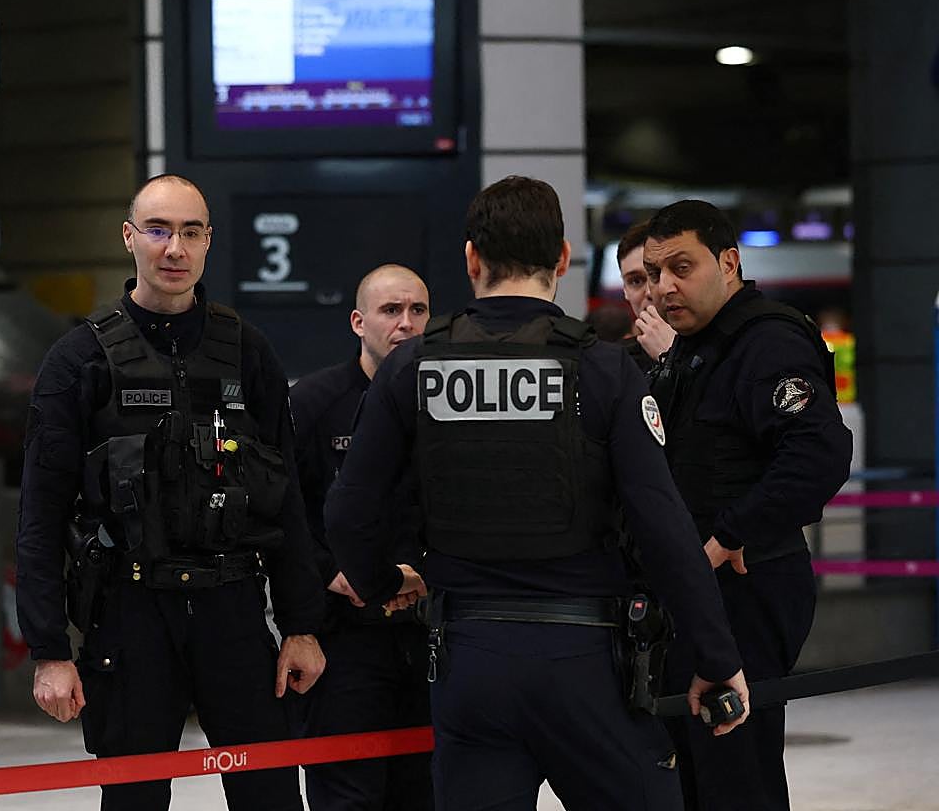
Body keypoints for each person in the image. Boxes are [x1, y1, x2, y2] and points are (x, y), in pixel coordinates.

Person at [324, 176, 749, 811]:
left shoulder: (414, 368)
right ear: (562, 258)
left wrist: (386, 586)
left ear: (471, 259)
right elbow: (663, 528)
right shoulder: (605, 369)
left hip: (467, 661)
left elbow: (348, 512)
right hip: (585, 663)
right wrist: (715, 654)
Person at [16, 174, 326, 811]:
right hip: (130, 617)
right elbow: (40, 517)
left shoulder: (248, 352)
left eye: (190, 232)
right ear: (130, 239)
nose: (174, 249)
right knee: (135, 802)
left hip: (235, 610)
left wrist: (301, 625)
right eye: (158, 231)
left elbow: (287, 498)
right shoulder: (79, 360)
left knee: (270, 794)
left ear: (209, 242)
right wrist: (49, 651)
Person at [642, 199, 853, 811]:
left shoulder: (767, 342)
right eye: (655, 273)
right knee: (691, 776)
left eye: (681, 267)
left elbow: (817, 457)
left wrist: (730, 535)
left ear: (728, 262)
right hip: (696, 590)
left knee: (736, 775)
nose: (664, 287)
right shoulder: (694, 349)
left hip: (747, 587)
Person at [290, 264, 433, 811]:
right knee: (347, 795)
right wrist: (332, 571)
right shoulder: (313, 402)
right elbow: (286, 514)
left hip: (427, 635)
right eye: (390, 311)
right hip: (346, 636)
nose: (405, 324)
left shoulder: (448, 403)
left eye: (417, 311)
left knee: (426, 792)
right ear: (358, 321)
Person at [617, 218, 675, 370]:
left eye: (657, 275)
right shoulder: (612, 364)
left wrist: (670, 357)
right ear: (625, 290)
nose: (650, 292)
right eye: (636, 281)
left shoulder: (725, 352)